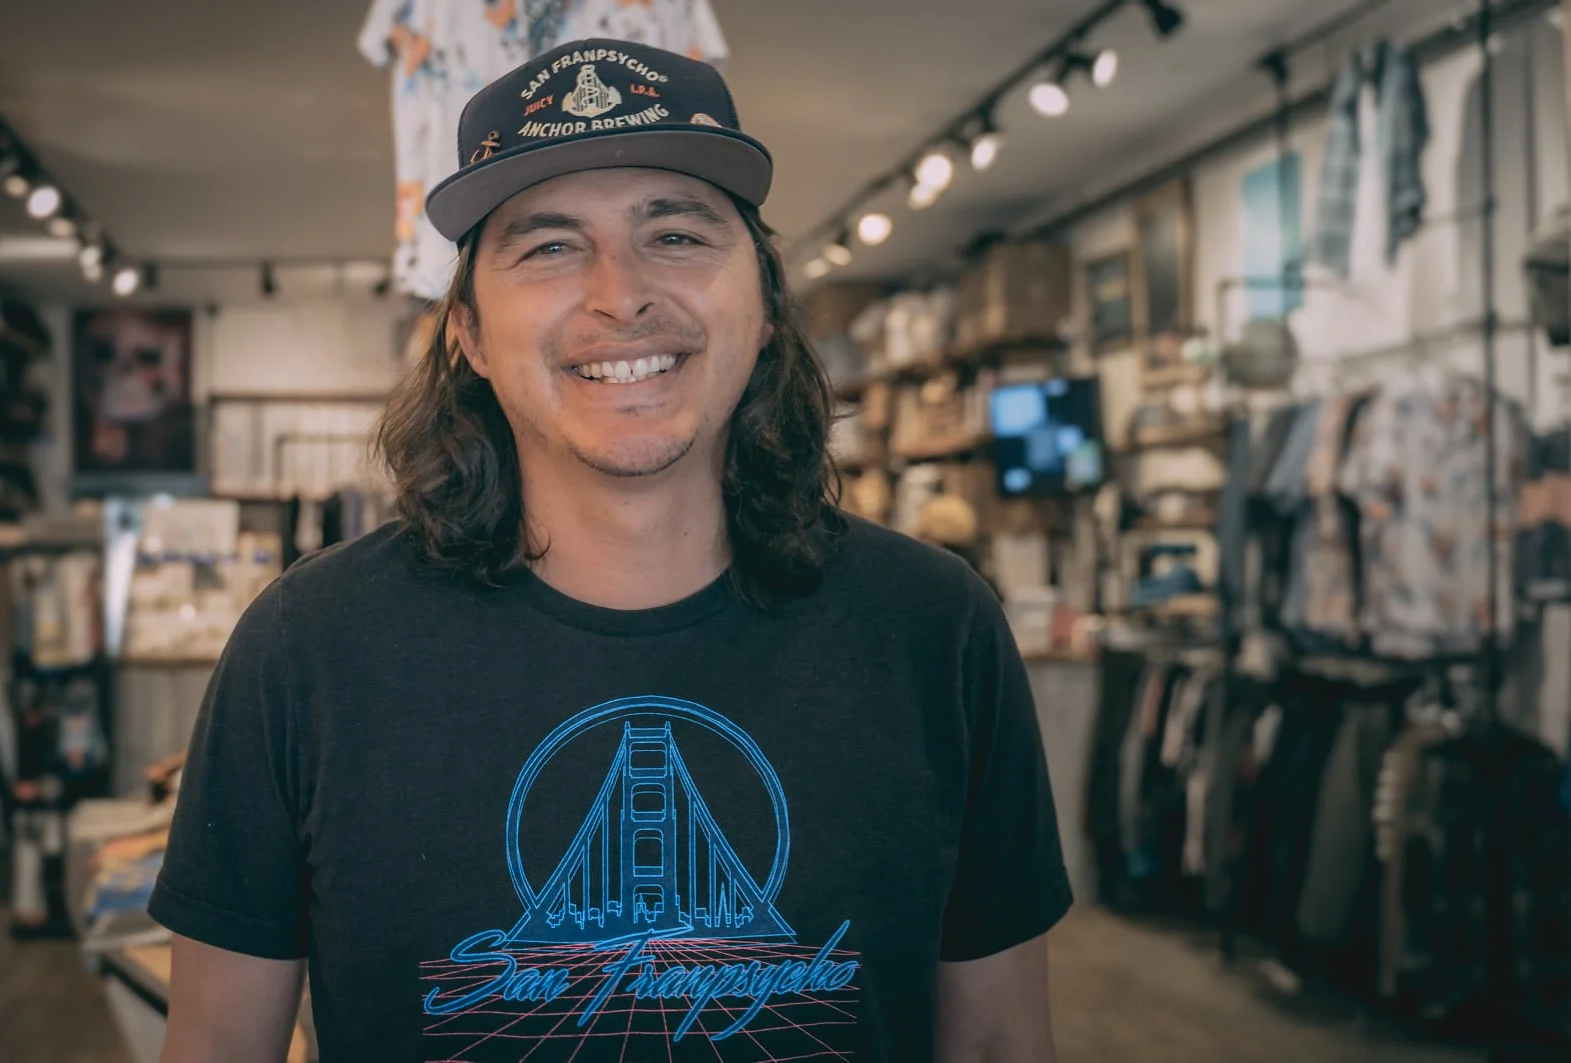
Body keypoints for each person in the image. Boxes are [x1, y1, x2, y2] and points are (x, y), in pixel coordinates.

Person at [152, 38, 1070, 1062]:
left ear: (763, 304)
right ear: (467, 333)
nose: (619, 292)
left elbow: (996, 1041)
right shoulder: (305, 650)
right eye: (547, 246)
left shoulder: (934, 630)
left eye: (675, 233)